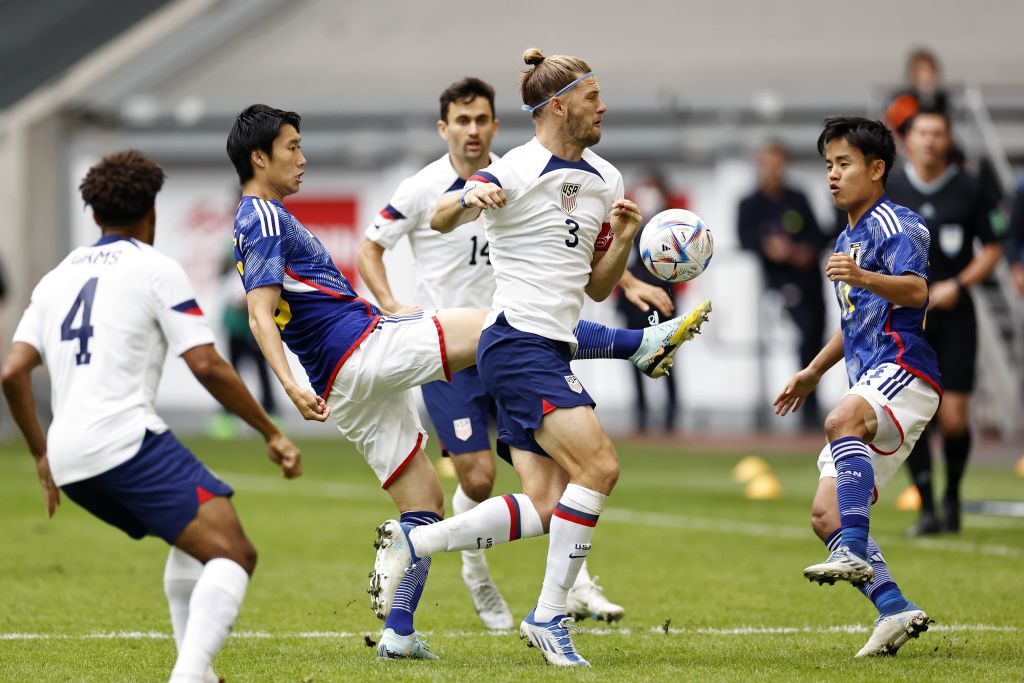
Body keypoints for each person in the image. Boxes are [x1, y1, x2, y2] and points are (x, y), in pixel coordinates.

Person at [227, 104, 703, 660]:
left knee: (426, 500)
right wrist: (287, 385)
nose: (302, 159)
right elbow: (260, 313)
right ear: (259, 158)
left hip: (344, 383)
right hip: (360, 350)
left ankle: (399, 633)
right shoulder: (261, 217)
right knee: (501, 323)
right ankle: (640, 345)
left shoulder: (261, 217)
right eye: (291, 148)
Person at [373, 48, 711, 668]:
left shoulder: (607, 180)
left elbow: (597, 288)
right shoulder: (517, 168)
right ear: (558, 106)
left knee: (549, 504)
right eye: (592, 97)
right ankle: (550, 615)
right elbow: (443, 217)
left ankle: (417, 542)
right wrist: (470, 197)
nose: (603, 106)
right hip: (518, 346)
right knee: (601, 466)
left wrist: (627, 240)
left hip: (547, 344)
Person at [1, 150, 302, 683]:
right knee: (234, 552)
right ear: (152, 212)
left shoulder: (55, 279)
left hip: (70, 459)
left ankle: (199, 673)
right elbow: (206, 364)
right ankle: (188, 675)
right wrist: (271, 431)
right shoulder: (155, 268)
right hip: (121, 441)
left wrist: (41, 452)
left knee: (192, 540)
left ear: (94, 215)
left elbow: (12, 373)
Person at [774, 117, 940, 657]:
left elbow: (916, 292)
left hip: (906, 368)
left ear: (876, 168)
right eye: (828, 165)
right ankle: (894, 609)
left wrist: (862, 276)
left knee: (839, 421)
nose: (832, 175)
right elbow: (854, 323)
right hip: (872, 376)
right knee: (826, 515)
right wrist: (813, 371)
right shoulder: (848, 237)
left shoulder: (898, 224)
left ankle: (852, 552)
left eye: (844, 164)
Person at [886, 109, 1004, 536]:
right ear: (909, 140)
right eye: (922, 133)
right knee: (913, 416)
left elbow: (992, 248)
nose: (930, 141)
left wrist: (958, 283)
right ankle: (927, 507)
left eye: (938, 133)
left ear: (947, 139)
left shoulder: (970, 187)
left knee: (953, 418)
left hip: (955, 317)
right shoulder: (892, 188)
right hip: (906, 318)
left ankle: (952, 495)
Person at [738, 141, 829, 429]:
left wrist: (805, 251)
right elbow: (745, 238)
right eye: (768, 163)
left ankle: (811, 403)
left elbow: (818, 234)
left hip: (809, 278)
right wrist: (769, 248)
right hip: (780, 282)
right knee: (803, 334)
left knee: (816, 338)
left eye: (779, 163)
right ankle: (803, 405)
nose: (774, 170)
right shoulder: (750, 202)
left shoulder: (797, 198)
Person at [616, 171, 679, 433]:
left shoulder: (670, 226)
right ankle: (641, 409)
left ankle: (672, 410)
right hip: (633, 300)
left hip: (662, 294)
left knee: (668, 355)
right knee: (634, 353)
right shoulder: (629, 225)